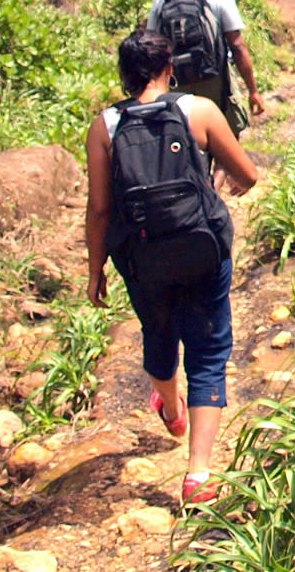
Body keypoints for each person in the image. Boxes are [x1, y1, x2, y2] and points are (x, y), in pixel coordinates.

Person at [85, 29, 258, 505]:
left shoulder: (105, 127)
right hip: (201, 249)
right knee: (207, 352)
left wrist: (95, 269)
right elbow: (248, 174)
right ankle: (198, 475)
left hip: (142, 258)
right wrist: (213, 188)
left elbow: (99, 209)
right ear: (169, 69)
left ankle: (170, 406)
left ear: (124, 74)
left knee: (158, 332)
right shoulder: (198, 111)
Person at [146, 0, 266, 135]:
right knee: (225, 137)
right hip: (214, 79)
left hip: (175, 80)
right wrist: (253, 91)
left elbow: (151, 42)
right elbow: (237, 45)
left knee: (183, 136)